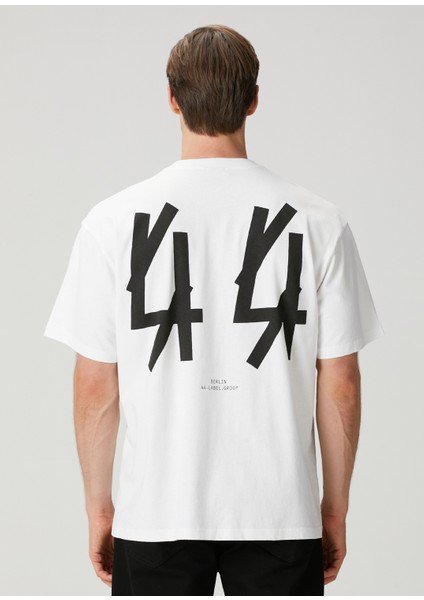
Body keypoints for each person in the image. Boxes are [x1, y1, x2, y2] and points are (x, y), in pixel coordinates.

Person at [43, 24, 385, 596]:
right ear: (254, 100)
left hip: (156, 512)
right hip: (280, 513)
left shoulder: (111, 224)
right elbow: (341, 383)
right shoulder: (319, 223)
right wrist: (334, 508)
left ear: (171, 99)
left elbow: (97, 385)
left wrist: (100, 508)